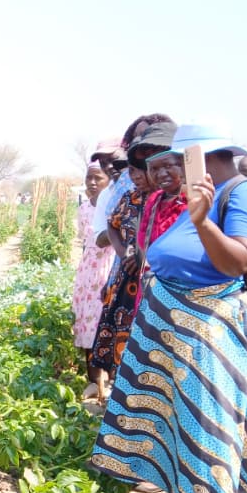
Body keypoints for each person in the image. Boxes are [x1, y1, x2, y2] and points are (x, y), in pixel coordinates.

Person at [92, 124, 247, 493]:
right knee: (174, 416)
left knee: (208, 419)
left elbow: (239, 259)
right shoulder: (203, 193)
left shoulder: (245, 194)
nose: (169, 167)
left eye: (180, 157)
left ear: (206, 155)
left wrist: (200, 219)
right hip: (171, 322)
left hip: (209, 324)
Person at [90, 122, 176, 375]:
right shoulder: (132, 197)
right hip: (128, 278)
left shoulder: (171, 200)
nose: (137, 177)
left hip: (154, 282)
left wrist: (142, 256)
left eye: (141, 171)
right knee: (123, 337)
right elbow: (111, 225)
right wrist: (124, 252)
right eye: (133, 172)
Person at [71, 162, 114, 399]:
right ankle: (93, 379)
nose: (93, 183)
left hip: (108, 268)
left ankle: (108, 381)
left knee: (105, 322)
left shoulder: (114, 207)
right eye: (89, 178)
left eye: (98, 178)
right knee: (86, 323)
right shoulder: (84, 208)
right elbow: (85, 242)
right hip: (89, 270)